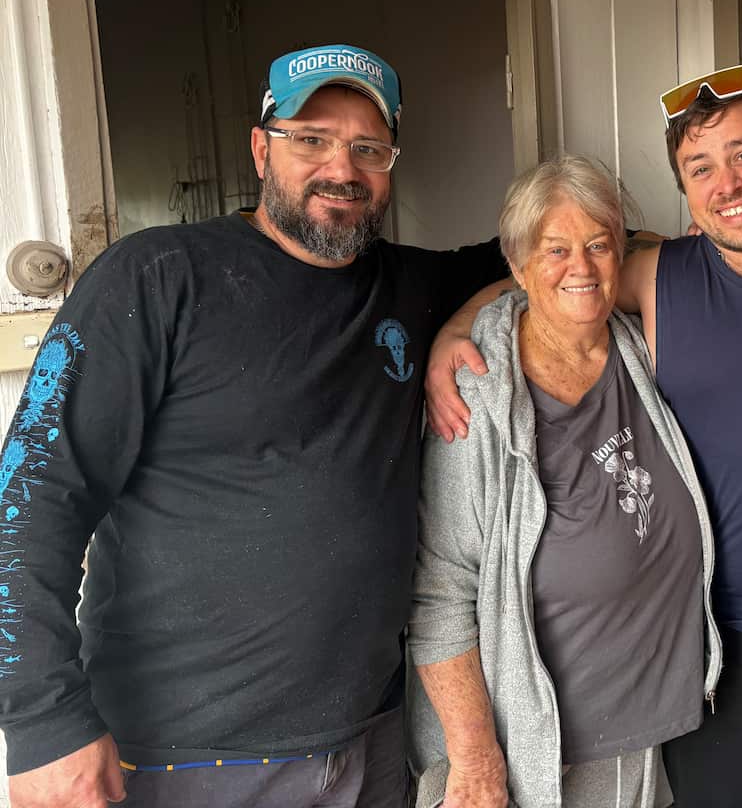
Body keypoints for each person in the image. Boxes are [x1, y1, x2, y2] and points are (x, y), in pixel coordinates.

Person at [0, 44, 509, 808]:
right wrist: (42, 722)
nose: (342, 169)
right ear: (261, 145)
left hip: (370, 743)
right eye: (311, 138)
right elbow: (28, 498)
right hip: (185, 756)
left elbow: (563, 252)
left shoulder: (410, 286)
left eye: (368, 148)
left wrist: (460, 320)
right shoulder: (155, 277)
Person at [427, 67, 742, 807]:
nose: (727, 182)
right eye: (701, 168)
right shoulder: (660, 278)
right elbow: (559, 274)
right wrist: (456, 330)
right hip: (711, 648)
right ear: (686, 191)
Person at [406, 154, 721, 808]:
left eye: (599, 245)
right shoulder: (476, 390)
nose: (581, 267)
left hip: (648, 732)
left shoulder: (643, 348)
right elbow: (439, 592)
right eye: (555, 250)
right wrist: (474, 755)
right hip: (531, 752)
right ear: (517, 267)